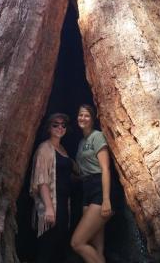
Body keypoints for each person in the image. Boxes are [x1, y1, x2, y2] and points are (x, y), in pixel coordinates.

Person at [71, 104, 113, 263]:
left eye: (86, 115)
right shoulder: (82, 142)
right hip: (86, 190)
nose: (83, 118)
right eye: (80, 115)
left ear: (93, 118)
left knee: (77, 242)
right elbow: (82, 171)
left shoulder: (98, 136)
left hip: (99, 189)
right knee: (97, 248)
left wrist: (106, 199)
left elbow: (105, 168)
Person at [30, 113, 72, 263]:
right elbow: (42, 181)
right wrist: (49, 208)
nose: (60, 127)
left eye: (63, 125)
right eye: (55, 124)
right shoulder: (44, 149)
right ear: (48, 127)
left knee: (59, 246)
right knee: (47, 246)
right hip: (52, 204)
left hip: (63, 204)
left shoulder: (62, 149)